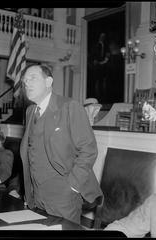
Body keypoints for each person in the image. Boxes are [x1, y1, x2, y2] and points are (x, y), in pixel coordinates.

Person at [20, 64, 103, 224]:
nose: (27, 84)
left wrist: (72, 186)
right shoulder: (30, 111)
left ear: (49, 81)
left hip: (64, 194)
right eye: (25, 81)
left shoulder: (69, 106)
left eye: (33, 78)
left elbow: (88, 149)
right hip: (36, 194)